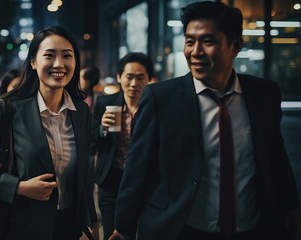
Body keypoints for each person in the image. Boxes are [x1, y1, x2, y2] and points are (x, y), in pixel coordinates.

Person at [109, 2, 300, 240]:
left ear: (235, 46)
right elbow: (138, 168)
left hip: (253, 228)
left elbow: (275, 154)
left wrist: (290, 204)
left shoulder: (264, 95)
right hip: (182, 229)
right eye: (189, 41)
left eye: (208, 41)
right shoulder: (161, 98)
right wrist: (124, 227)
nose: (195, 51)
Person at [0, 26, 99, 240]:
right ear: (33, 62)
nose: (59, 64)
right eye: (49, 55)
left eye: (67, 56)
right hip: (21, 229)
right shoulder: (8, 108)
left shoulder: (80, 111)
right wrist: (18, 187)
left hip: (69, 227)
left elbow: (82, 175)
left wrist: (91, 220)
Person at [91, 52, 153, 240]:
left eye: (140, 77)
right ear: (119, 77)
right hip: (111, 179)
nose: (134, 83)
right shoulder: (105, 102)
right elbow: (91, 141)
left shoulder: (154, 105)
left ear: (149, 79)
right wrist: (102, 127)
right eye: (129, 77)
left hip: (143, 182)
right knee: (112, 233)